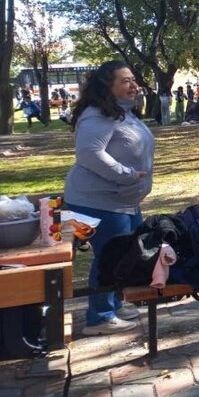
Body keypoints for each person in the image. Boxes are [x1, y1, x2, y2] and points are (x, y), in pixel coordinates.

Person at [63, 61, 153, 335]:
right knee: (109, 257)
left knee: (125, 254)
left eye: (133, 79)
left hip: (121, 203)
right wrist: (126, 175)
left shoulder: (122, 113)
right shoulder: (97, 115)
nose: (133, 85)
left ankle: (112, 303)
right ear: (107, 86)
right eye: (125, 80)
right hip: (96, 203)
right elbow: (90, 153)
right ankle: (99, 318)